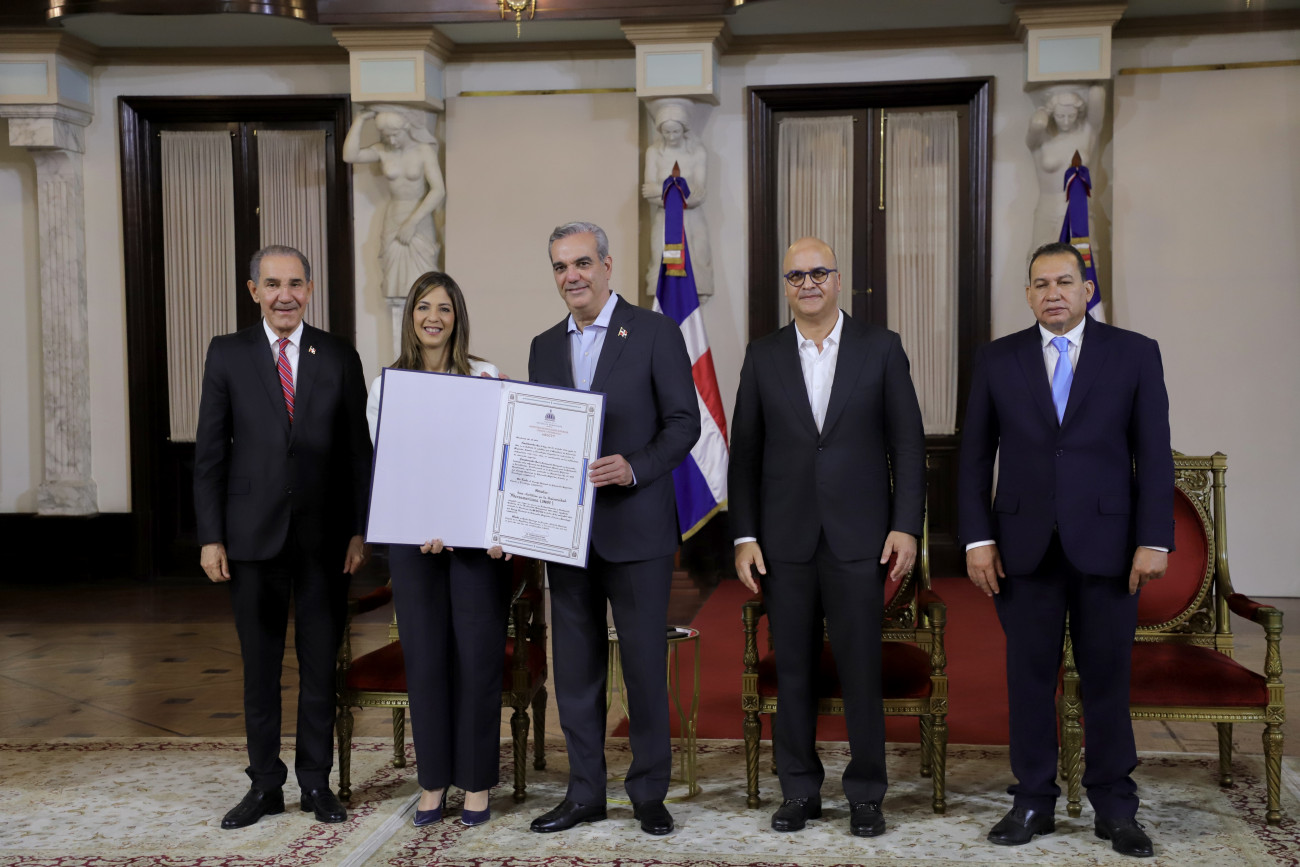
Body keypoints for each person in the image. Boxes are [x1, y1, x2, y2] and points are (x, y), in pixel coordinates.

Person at [958, 241, 1173, 858]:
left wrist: (1153, 539)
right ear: (1028, 295)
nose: (1052, 293)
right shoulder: (997, 359)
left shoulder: (1134, 353)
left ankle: (1115, 807)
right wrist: (977, 538)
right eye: (1040, 284)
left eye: (1063, 282)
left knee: (1107, 679)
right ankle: (1032, 800)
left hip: (1109, 547)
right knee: (1028, 680)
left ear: (1086, 290)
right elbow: (974, 457)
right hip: (1022, 549)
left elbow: (1154, 452)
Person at [729, 236, 926, 838]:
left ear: (839, 280)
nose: (808, 284)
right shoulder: (763, 355)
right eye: (796, 276)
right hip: (784, 542)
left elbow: (908, 445)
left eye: (819, 273)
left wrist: (905, 525)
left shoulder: (881, 348)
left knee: (861, 668)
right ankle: (799, 790)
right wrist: (744, 535)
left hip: (860, 539)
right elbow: (745, 455)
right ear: (786, 286)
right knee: (793, 670)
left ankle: (866, 793)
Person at [526, 221, 700, 836]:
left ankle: (649, 792)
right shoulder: (544, 346)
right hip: (566, 535)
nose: (571, 276)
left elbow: (684, 423)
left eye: (581, 263)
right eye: (560, 266)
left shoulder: (654, 332)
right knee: (576, 674)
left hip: (638, 531)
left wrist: (635, 467)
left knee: (645, 669)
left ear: (606, 265)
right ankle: (585, 794)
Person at [194, 244, 372, 830]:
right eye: (272, 284)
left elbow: (358, 452)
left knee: (320, 667)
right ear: (254, 291)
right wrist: (211, 536)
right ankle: (265, 784)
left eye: (295, 283)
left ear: (310, 290)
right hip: (250, 537)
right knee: (259, 668)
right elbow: (210, 453)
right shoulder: (227, 353)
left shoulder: (339, 355)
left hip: (326, 539)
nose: (285, 295)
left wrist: (359, 529)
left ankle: (316, 781)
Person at [365, 271, 512, 828]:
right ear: (410, 316)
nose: (434, 317)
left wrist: (496, 526)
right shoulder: (386, 387)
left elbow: (501, 463)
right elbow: (392, 468)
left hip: (476, 546)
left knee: (477, 661)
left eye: (444, 308)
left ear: (458, 317)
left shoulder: (486, 376)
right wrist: (425, 519)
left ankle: (475, 782)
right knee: (425, 662)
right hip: (414, 541)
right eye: (423, 307)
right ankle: (432, 782)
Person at [343, 105, 445, 298]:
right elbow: (349, 155)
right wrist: (360, 120)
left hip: (419, 218)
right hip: (394, 217)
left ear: (407, 128)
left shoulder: (423, 151)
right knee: (394, 281)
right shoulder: (383, 150)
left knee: (424, 280)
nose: (391, 140)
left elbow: (438, 190)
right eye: (387, 136)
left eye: (395, 135)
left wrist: (412, 223)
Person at [641, 100, 712, 301]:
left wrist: (661, 189)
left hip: (692, 217)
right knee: (659, 255)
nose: (671, 137)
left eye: (675, 132)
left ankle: (695, 295)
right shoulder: (653, 152)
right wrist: (681, 190)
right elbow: (648, 192)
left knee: (697, 255)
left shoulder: (697, 152)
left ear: (684, 129)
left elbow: (698, 194)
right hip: (665, 217)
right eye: (666, 132)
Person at [1027, 86, 1106, 250]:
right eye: (1060, 116)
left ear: (1079, 113)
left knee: (1084, 262)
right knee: (1041, 259)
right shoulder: (1042, 139)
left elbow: (1097, 93)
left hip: (1079, 210)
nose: (1066, 121)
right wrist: (1043, 111)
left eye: (1071, 116)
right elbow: (1037, 124)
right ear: (1052, 114)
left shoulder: (1087, 133)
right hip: (1048, 210)